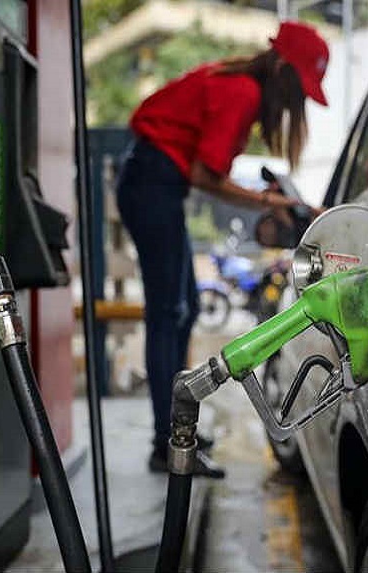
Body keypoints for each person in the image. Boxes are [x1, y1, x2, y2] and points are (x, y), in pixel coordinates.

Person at [116, 21, 329, 477]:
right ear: (283, 71)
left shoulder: (236, 82)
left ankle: (176, 433)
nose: (298, 104)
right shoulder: (243, 93)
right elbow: (204, 175)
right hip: (152, 185)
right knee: (168, 314)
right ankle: (167, 445)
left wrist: (275, 198)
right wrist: (270, 201)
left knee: (186, 308)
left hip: (155, 186)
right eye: (300, 90)